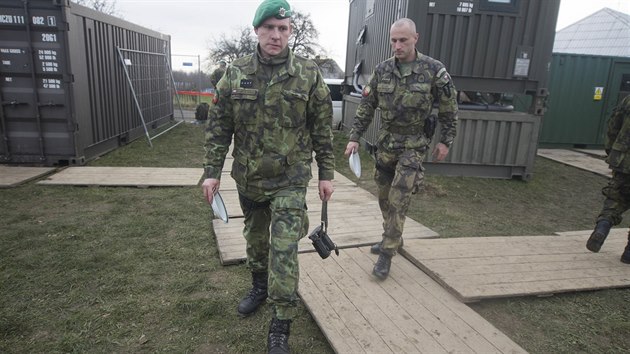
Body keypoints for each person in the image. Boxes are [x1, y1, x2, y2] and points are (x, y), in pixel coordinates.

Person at [201, 0, 335, 352]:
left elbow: (322, 128)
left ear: (291, 32)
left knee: (284, 249)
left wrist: (327, 174)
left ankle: (281, 324)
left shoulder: (307, 74)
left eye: (283, 29)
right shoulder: (235, 73)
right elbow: (219, 127)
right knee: (256, 241)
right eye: (269, 27)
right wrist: (211, 173)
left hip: (290, 178)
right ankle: (259, 286)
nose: (276, 35)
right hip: (249, 178)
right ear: (257, 29)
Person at [344, 18, 458, 280]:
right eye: (393, 40)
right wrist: (354, 137)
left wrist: (445, 141)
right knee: (384, 197)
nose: (397, 45)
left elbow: (450, 109)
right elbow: (367, 106)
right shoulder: (382, 70)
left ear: (415, 38)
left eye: (403, 40)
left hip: (414, 145)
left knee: (399, 198)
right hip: (387, 145)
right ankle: (393, 238)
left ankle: (387, 251)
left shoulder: (434, 70)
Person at [586, 94, 630, 264]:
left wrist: (612, 151)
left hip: (623, 160)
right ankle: (628, 254)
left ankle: (603, 226)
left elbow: (613, 126)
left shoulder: (627, 100)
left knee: (615, 198)